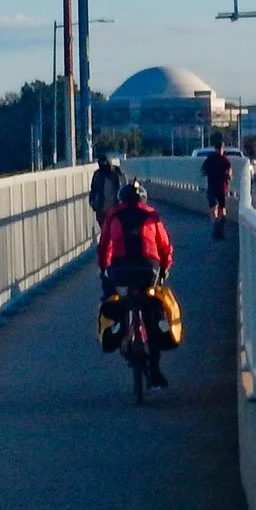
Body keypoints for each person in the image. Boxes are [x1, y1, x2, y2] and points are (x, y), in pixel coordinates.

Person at [98, 179, 177, 388]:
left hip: (120, 269)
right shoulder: (152, 215)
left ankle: (116, 329)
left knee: (116, 297)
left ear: (121, 199)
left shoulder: (113, 215)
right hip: (147, 268)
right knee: (151, 301)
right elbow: (165, 246)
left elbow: (104, 246)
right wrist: (165, 269)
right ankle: (156, 357)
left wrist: (104, 269)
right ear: (143, 198)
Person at [200, 134, 236, 240]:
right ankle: (220, 227)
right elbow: (230, 175)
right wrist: (228, 176)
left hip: (213, 188)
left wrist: (209, 173)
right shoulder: (225, 160)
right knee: (220, 208)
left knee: (215, 208)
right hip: (221, 188)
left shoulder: (210, 159)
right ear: (221, 149)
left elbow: (202, 172)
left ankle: (216, 226)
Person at [87, 151, 125, 235]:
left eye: (104, 161)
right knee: (106, 231)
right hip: (102, 207)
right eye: (100, 162)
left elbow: (122, 186)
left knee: (113, 230)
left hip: (115, 206)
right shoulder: (98, 174)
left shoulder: (115, 172)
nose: (103, 164)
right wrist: (93, 202)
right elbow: (93, 189)